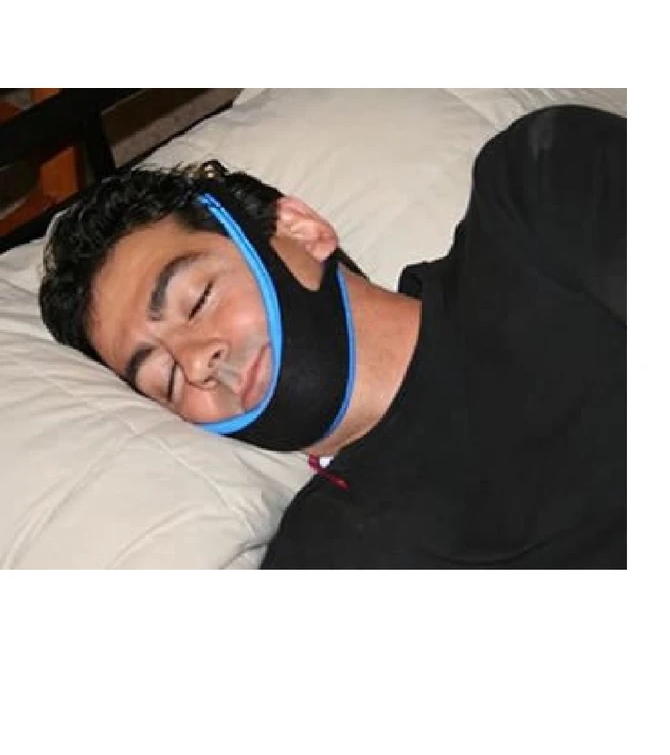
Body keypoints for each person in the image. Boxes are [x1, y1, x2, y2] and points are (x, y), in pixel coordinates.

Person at [39, 104, 627, 568]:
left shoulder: (535, 191)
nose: (196, 363)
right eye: (165, 378)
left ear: (300, 231)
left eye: (198, 299)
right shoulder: (322, 559)